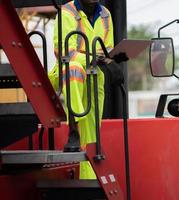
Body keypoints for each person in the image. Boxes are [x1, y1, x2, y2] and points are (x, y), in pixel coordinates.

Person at [48, 0, 114, 179]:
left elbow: (108, 49)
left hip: (94, 74)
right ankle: (74, 128)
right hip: (66, 73)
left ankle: (90, 182)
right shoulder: (67, 12)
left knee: (92, 138)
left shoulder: (105, 14)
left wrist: (112, 60)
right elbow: (66, 53)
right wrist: (96, 57)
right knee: (74, 67)